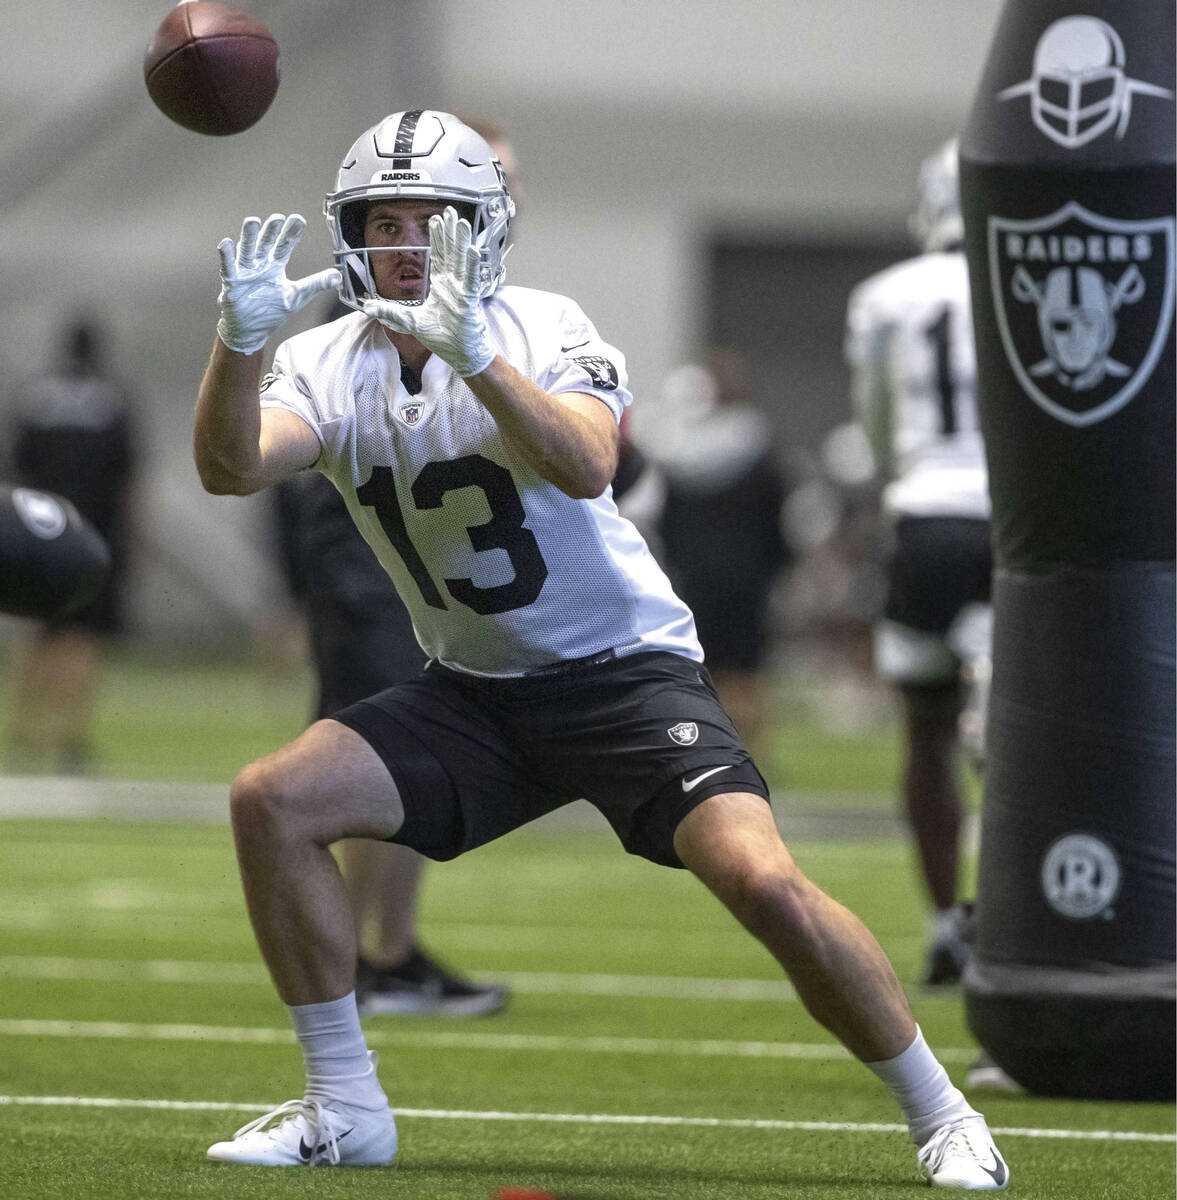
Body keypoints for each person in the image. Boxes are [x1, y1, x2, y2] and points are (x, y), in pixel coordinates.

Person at [192, 110, 1008, 1188]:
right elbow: (232, 465)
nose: (400, 243)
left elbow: (586, 463)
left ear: (479, 232)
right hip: (474, 691)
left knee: (764, 885)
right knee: (271, 800)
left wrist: (473, 358)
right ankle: (344, 1107)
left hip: (622, 677)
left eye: (427, 221)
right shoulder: (324, 359)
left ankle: (941, 1112)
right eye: (381, 220)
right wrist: (235, 348)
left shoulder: (539, 326)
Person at [843, 140, 991, 989]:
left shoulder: (884, 296)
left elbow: (875, 426)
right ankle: (1015, 919)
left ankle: (945, 923)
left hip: (924, 516)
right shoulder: (1026, 278)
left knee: (925, 728)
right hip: (1012, 522)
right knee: (1021, 736)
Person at [637, 349, 792, 755]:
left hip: (695, 578)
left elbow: (665, 523)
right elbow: (778, 520)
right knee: (747, 673)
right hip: (749, 580)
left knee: (698, 668)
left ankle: (709, 750)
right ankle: (749, 754)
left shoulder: (676, 455)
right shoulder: (759, 449)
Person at [5, 316, 137, 773]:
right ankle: (69, 737)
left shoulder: (36, 398)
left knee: (35, 633)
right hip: (91, 538)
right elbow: (129, 482)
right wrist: (137, 541)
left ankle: (23, 731)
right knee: (82, 639)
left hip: (31, 534)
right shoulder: (113, 401)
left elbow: (16, 470)